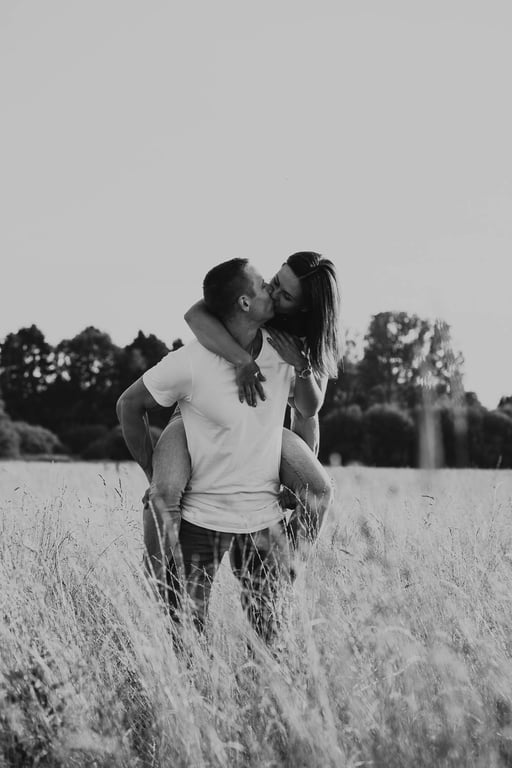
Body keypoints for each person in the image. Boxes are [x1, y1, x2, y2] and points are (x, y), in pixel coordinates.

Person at [117, 258, 333, 640]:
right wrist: (242, 359)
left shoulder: (300, 347)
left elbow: (307, 413)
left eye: (284, 293)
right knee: (164, 491)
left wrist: (293, 479)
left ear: (304, 308)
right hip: (195, 418)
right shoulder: (207, 348)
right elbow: (199, 312)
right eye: (271, 282)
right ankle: (156, 580)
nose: (273, 291)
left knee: (319, 490)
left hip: (263, 435)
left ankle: (285, 577)